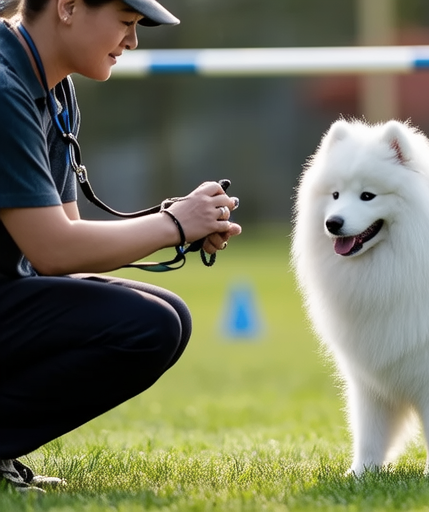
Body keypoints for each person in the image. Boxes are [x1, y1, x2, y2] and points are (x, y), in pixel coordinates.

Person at [0, 0, 242, 493]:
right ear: (67, 7)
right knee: (147, 325)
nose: (133, 42)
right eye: (127, 23)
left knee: (167, 314)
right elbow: (54, 251)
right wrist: (173, 224)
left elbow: (66, 242)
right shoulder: (5, 87)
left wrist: (180, 226)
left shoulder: (54, 86)